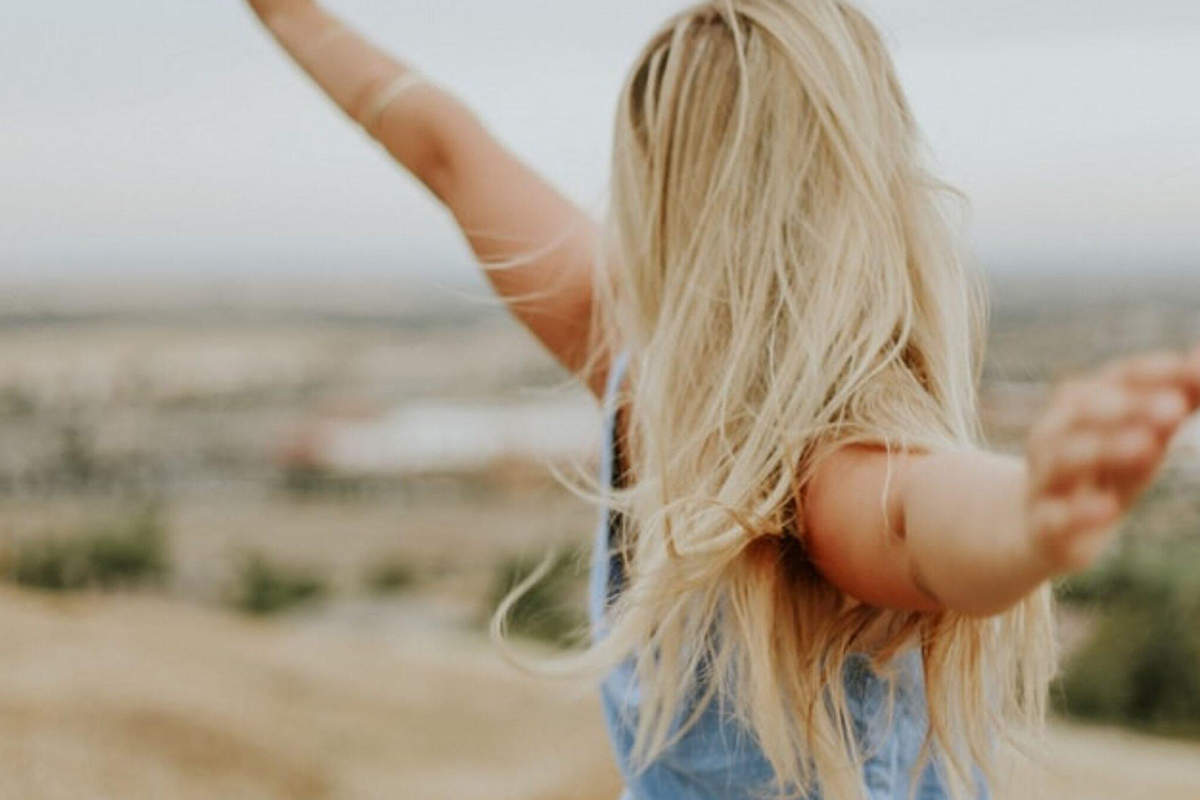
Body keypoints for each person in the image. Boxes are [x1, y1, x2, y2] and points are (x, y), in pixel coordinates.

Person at [241, 1, 1200, 797]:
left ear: (658, 185)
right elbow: (916, 525)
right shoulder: (758, 431)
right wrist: (1029, 514)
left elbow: (437, 141)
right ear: (868, 186)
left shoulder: (683, 386)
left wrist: (1027, 516)